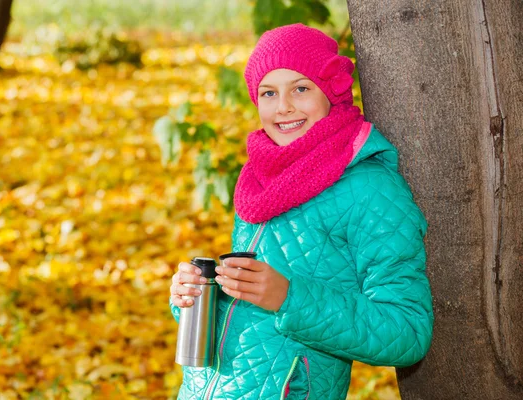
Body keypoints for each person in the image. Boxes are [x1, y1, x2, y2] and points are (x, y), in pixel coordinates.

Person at [169, 23, 434, 400]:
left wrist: (289, 298)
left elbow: (407, 331)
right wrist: (193, 296)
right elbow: (252, 308)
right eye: (268, 92)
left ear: (332, 93)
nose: (283, 107)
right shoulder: (261, 175)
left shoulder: (369, 189)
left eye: (301, 88)